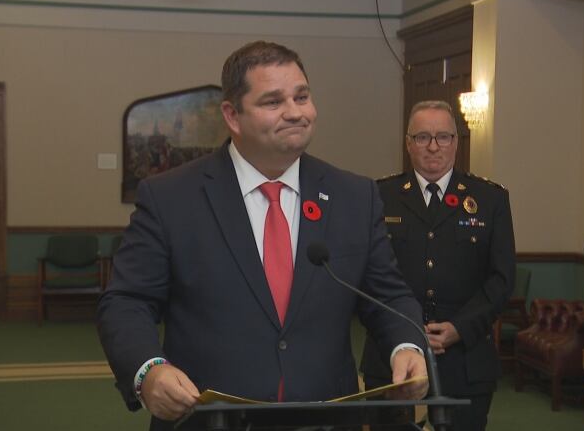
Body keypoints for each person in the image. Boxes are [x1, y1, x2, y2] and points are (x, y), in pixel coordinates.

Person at [97, 41, 429, 430]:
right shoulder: (171, 197)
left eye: (301, 97)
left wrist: (406, 345)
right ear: (232, 116)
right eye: (273, 102)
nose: (294, 112)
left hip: (326, 419)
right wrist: (147, 371)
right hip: (208, 420)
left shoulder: (354, 196)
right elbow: (126, 301)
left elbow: (387, 296)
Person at [360, 100, 515, 431]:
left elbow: (501, 280)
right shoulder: (377, 196)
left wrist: (459, 328)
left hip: (466, 357)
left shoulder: (489, 199)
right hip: (392, 354)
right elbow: (365, 276)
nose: (433, 146)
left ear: (456, 142)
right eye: (422, 137)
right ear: (408, 143)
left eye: (443, 137)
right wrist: (405, 330)